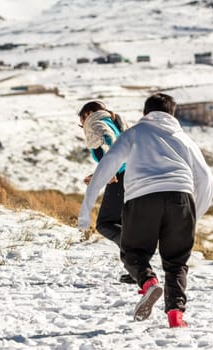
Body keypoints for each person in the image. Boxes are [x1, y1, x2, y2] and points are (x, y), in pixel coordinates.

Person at [78, 93, 213, 328]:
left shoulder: (134, 133)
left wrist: (85, 212)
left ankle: (148, 282)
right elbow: (205, 179)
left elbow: (107, 166)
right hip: (180, 198)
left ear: (145, 114)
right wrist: (193, 216)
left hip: (142, 199)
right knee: (176, 262)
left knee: (133, 252)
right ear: (172, 114)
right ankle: (175, 316)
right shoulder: (184, 139)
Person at [77, 100, 135, 284]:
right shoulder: (116, 121)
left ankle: (138, 260)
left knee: (105, 224)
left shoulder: (95, 122)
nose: (82, 127)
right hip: (131, 173)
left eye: (81, 122)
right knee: (121, 223)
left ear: (88, 114)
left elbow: (111, 142)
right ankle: (136, 270)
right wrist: (98, 174)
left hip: (120, 175)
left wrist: (111, 168)